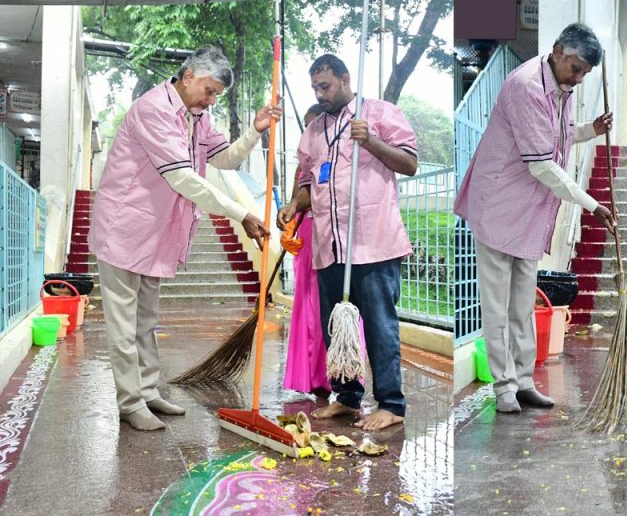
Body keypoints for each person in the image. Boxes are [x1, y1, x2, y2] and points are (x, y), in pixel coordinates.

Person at [90, 46, 278, 431]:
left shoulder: (198, 117)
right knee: (124, 325)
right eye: (209, 91)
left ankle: (147, 391)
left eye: (217, 97)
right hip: (124, 230)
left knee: (146, 321)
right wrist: (241, 212)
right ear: (188, 75)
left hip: (155, 233)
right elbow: (182, 177)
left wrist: (256, 130)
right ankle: (130, 403)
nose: (210, 100)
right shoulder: (153, 110)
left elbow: (223, 159)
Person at [454, 22, 616, 414]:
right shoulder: (526, 85)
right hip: (498, 205)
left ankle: (525, 381)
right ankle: (504, 387)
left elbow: (555, 137)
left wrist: (591, 130)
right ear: (558, 50)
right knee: (497, 305)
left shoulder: (563, 89)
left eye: (584, 74)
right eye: (575, 68)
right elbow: (542, 163)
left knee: (523, 303)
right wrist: (592, 204)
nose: (578, 79)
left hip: (529, 212)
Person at [277, 54, 417, 431]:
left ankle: (391, 403)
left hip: (374, 243)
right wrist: (293, 205)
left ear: (344, 79)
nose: (320, 94)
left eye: (326, 86)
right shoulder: (313, 132)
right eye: (315, 88)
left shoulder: (380, 113)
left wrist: (369, 140)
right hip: (329, 246)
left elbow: (409, 163)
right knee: (335, 326)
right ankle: (347, 398)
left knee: (379, 326)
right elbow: (309, 182)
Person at [282, 104, 331, 396]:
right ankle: (310, 376)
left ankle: (332, 375)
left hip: (331, 235)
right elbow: (296, 203)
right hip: (308, 235)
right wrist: (288, 226)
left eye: (314, 125)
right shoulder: (302, 165)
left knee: (329, 305)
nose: (309, 132)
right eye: (306, 126)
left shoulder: (338, 159)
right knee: (308, 307)